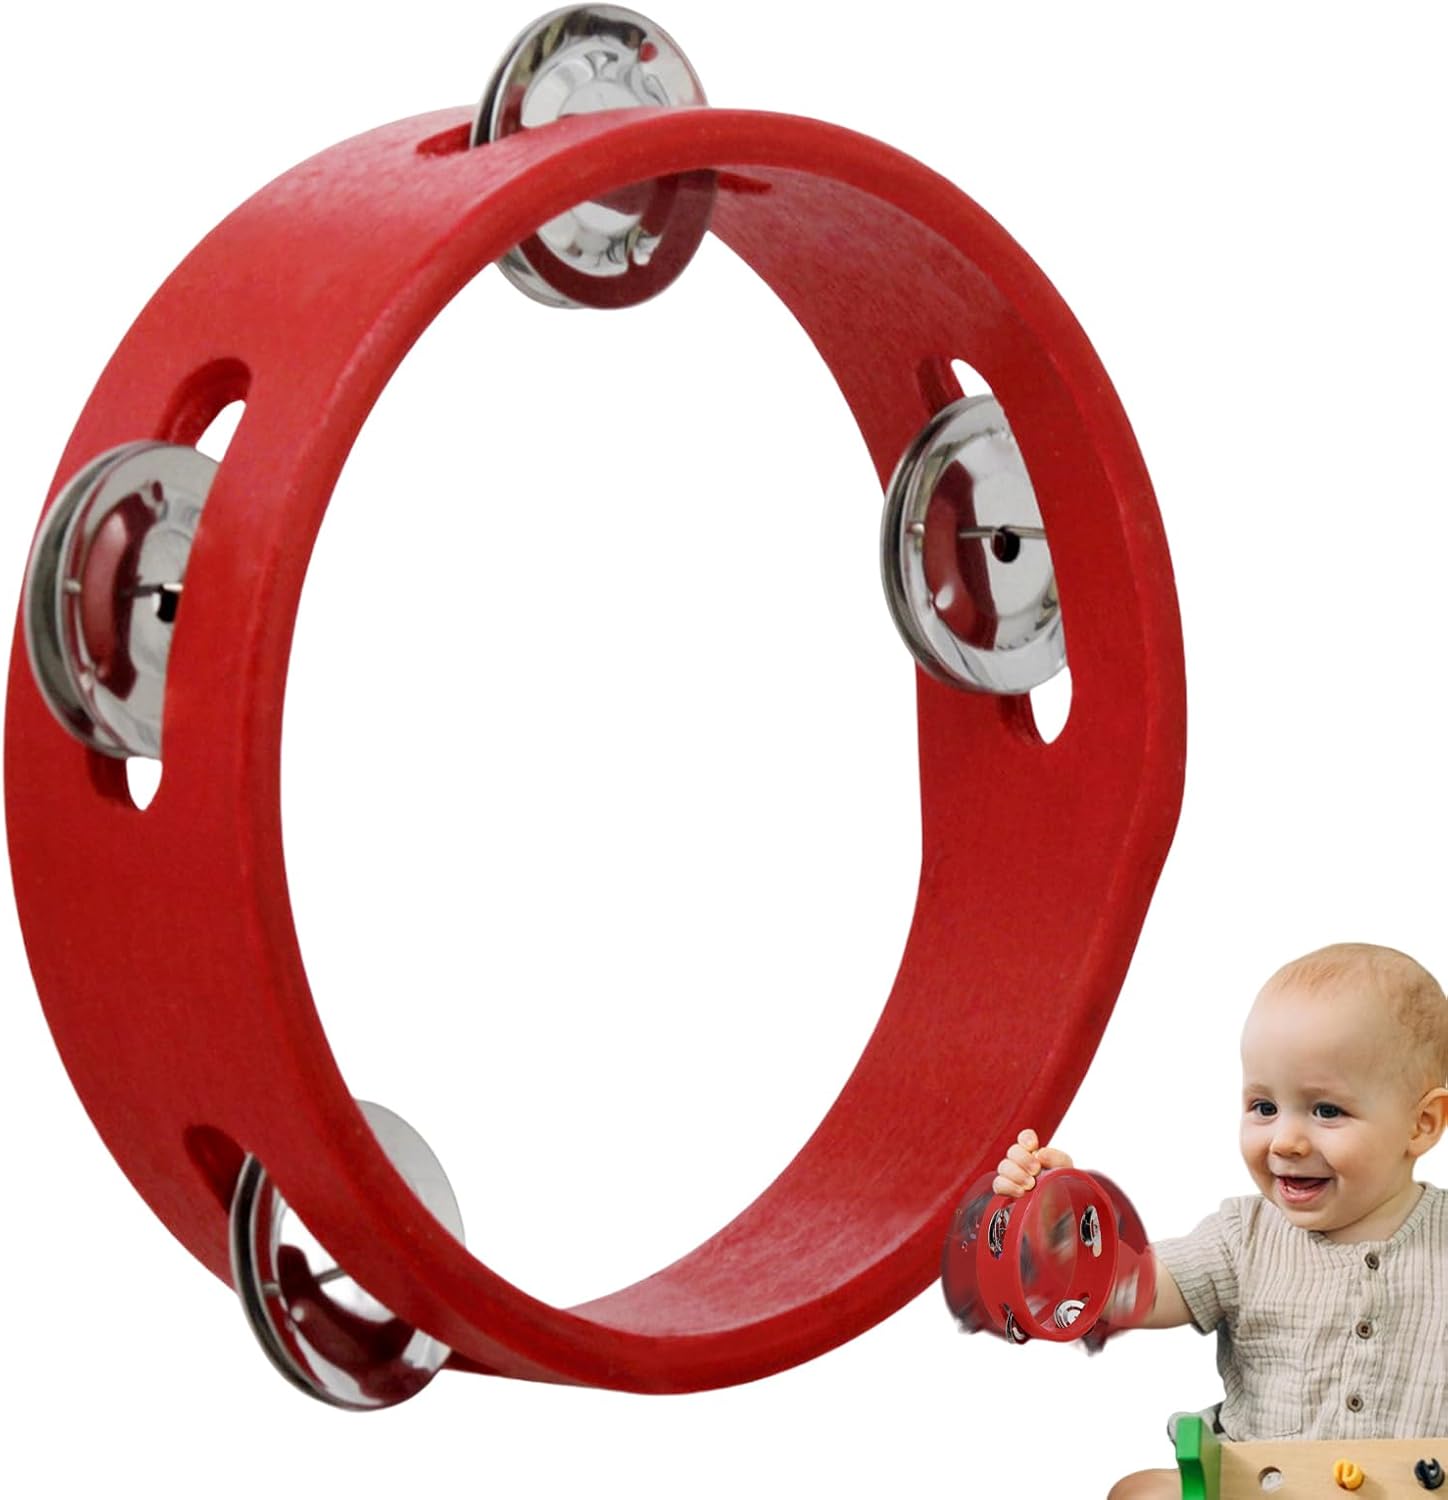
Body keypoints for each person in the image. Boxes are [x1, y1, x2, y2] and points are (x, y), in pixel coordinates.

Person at [993, 943, 1448, 1500]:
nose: (1285, 1140)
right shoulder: (1242, 1237)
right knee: (1139, 1491)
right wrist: (1062, 1231)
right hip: (1259, 1491)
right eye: (1264, 1107)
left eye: (1327, 1110)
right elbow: (1131, 1292)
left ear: (1422, 1124)